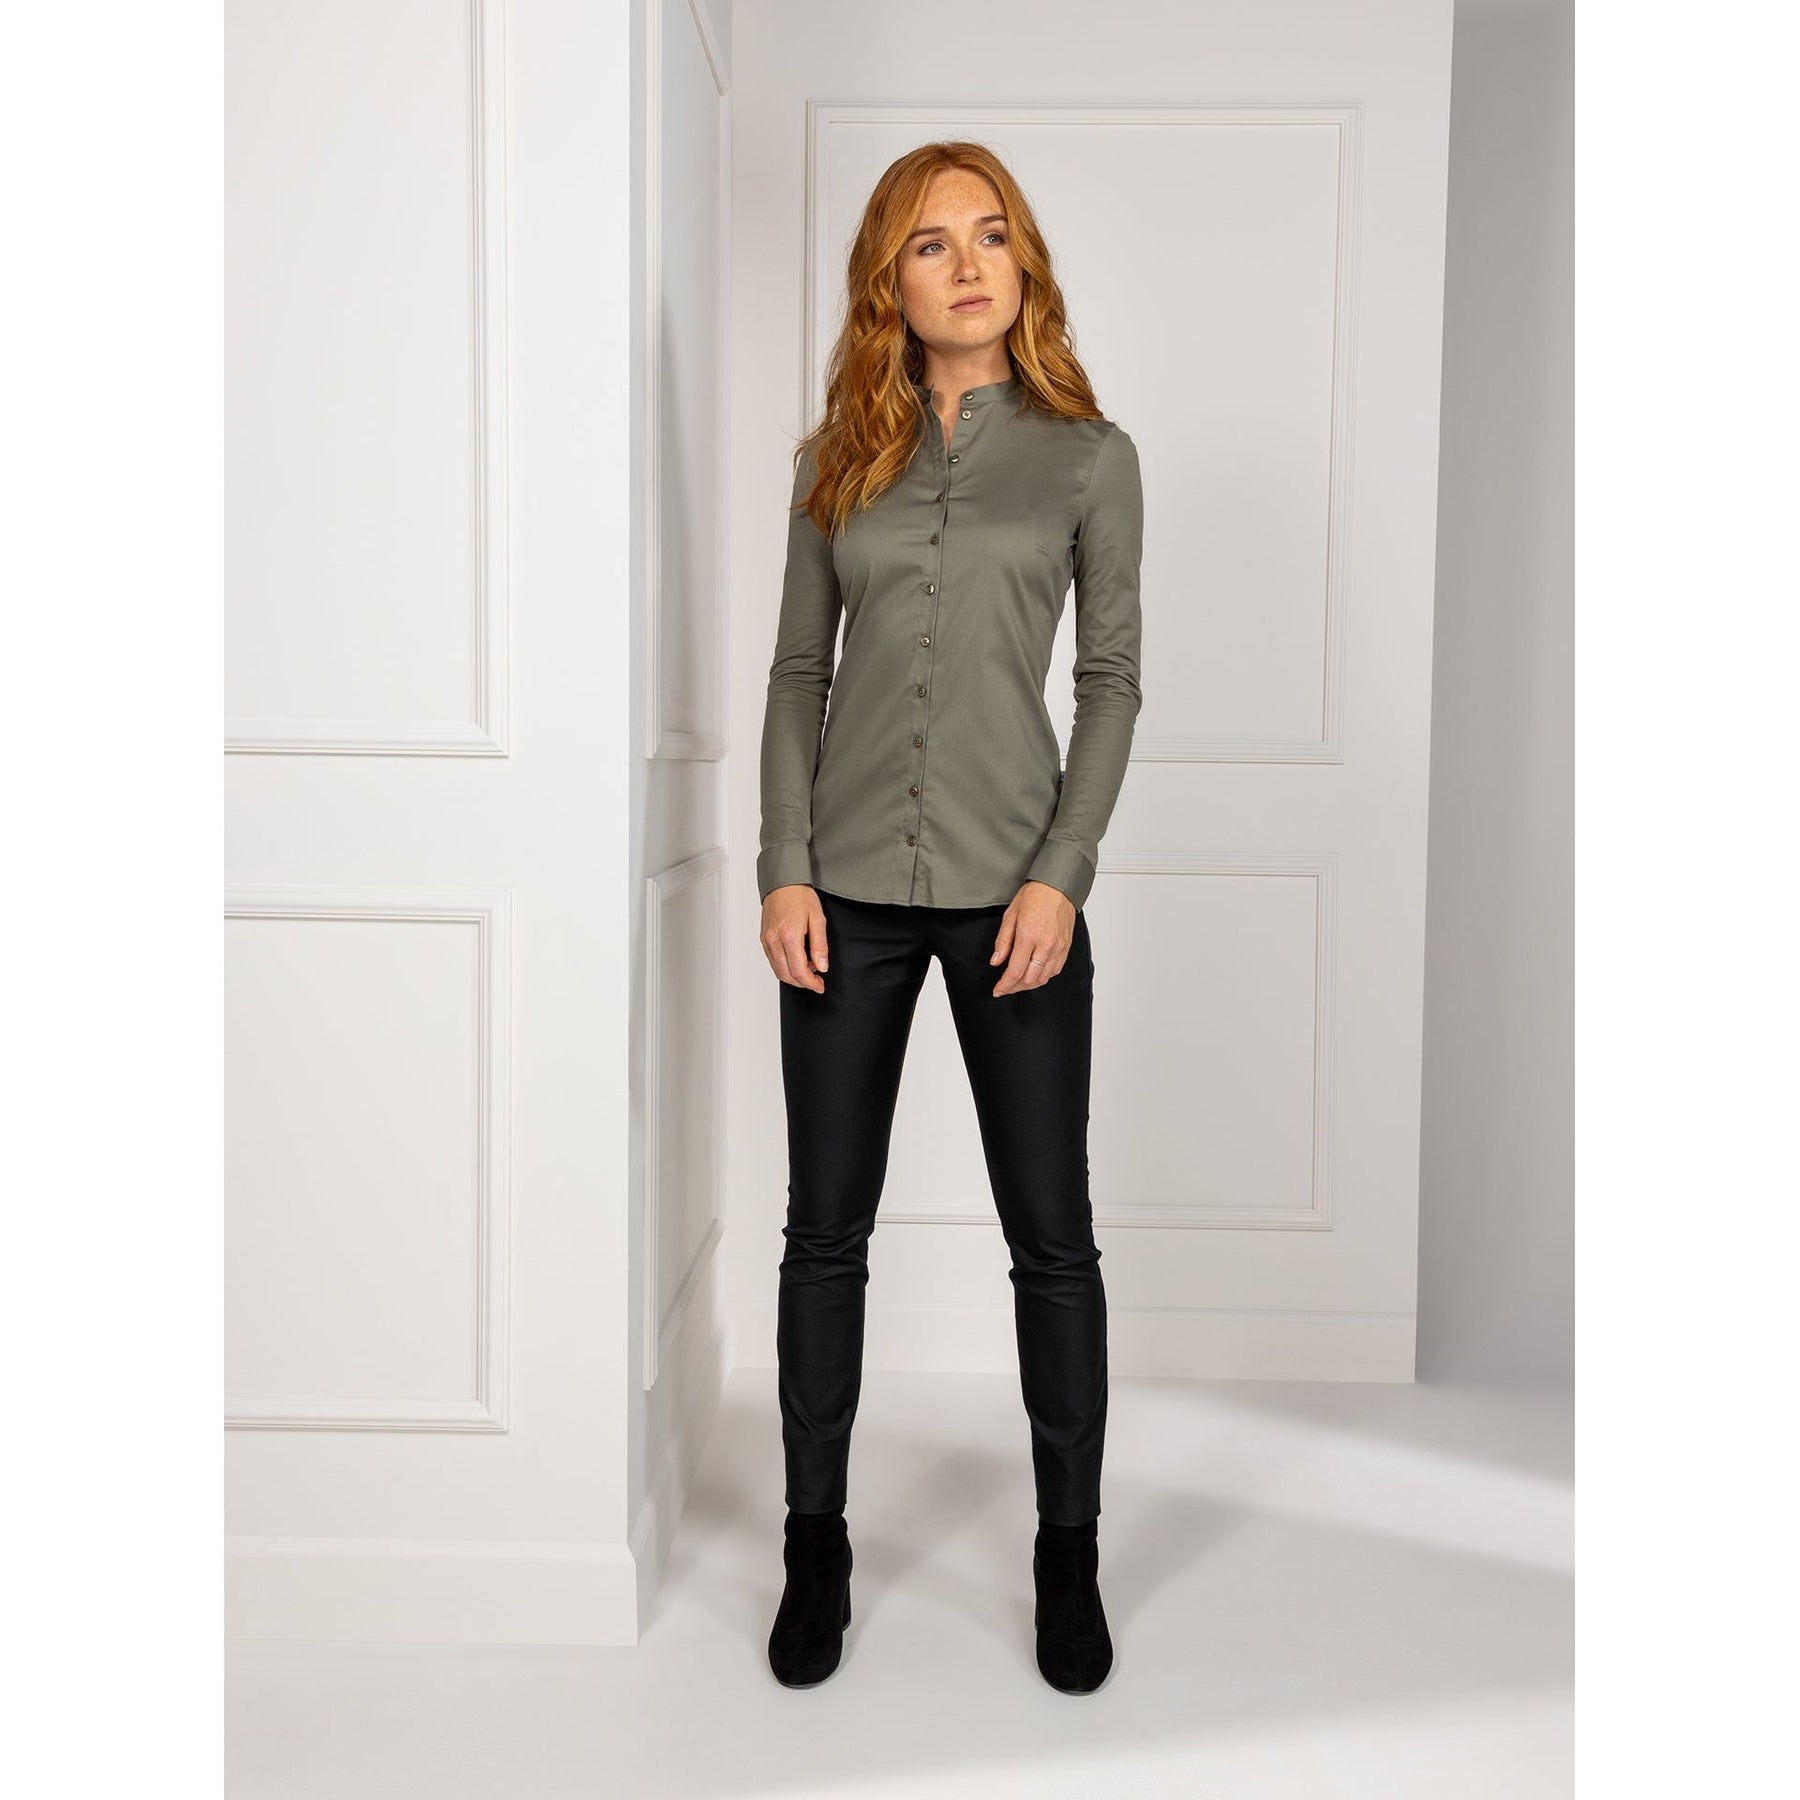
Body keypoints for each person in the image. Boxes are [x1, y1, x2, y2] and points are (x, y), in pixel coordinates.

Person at [756, 141, 1145, 1695]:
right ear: (890, 280)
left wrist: (1063, 872)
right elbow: (799, 674)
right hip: (842, 898)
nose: (969, 265)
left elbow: (1110, 682)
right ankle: (815, 1550)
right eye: (933, 244)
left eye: (993, 236)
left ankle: (1068, 1557)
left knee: (1052, 1241)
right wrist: (784, 863)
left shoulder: (1090, 460)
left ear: (1023, 263)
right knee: (823, 1237)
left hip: (1015, 905)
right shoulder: (833, 461)